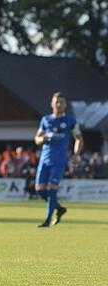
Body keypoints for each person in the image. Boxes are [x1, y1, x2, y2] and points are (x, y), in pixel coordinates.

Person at [34, 92, 83, 228]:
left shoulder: (70, 120)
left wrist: (76, 154)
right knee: (39, 190)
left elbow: (78, 138)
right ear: (52, 104)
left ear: (65, 105)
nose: (59, 104)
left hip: (59, 160)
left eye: (61, 102)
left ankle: (48, 219)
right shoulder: (45, 120)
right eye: (57, 102)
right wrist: (41, 139)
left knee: (52, 189)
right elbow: (37, 138)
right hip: (44, 159)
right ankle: (60, 209)